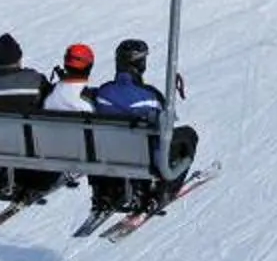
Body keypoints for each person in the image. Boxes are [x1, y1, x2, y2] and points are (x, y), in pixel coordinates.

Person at [82, 38, 196, 220]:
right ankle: (162, 192)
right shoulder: (149, 96)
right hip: (143, 159)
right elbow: (166, 123)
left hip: (108, 154)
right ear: (140, 64)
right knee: (188, 135)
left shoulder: (103, 93)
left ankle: (105, 194)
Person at [0, 33, 62, 202]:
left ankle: (2, 173)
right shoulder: (34, 80)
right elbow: (50, 103)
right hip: (31, 151)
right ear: (18, 57)